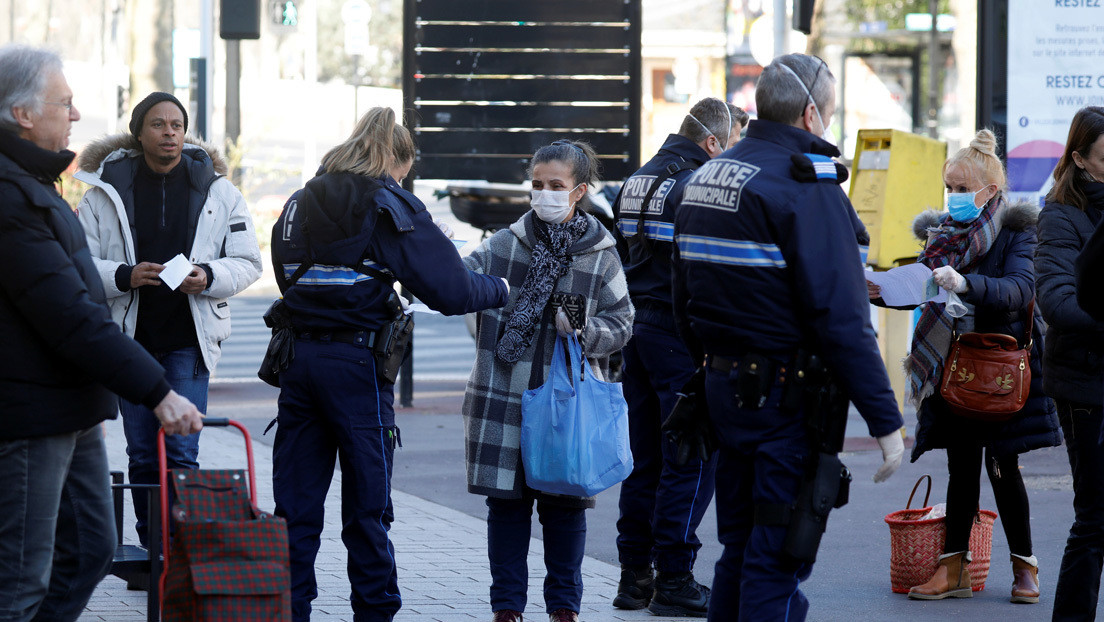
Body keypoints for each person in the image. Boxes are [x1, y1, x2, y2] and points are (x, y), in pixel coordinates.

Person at [671, 53, 905, 621]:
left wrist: (709, 367)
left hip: (724, 389)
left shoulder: (707, 177)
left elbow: (684, 297)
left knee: (740, 548)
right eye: (827, 112)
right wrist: (886, 422)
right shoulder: (807, 187)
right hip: (785, 398)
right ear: (808, 114)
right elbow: (842, 318)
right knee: (777, 558)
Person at [270, 107, 508, 622]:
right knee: (369, 509)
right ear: (397, 160)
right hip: (357, 365)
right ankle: (374, 613)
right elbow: (452, 290)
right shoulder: (388, 203)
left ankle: (289, 612)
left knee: (294, 506)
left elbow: (285, 273)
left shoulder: (299, 201)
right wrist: (503, 287)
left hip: (298, 360)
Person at [0, 44, 203, 622]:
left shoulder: (35, 181)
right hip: (29, 414)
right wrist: (157, 391)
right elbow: (69, 312)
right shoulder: (10, 194)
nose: (76, 115)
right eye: (64, 103)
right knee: (19, 581)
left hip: (72, 407)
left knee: (91, 550)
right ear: (22, 113)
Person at [869, 129, 1060, 603]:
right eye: (948, 187)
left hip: (999, 369)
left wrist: (966, 283)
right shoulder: (942, 237)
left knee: (1002, 466)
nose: (952, 196)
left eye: (961, 187)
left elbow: (1019, 289)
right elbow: (925, 289)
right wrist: (884, 292)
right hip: (955, 368)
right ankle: (952, 567)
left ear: (989, 191)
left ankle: (1025, 567)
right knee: (960, 466)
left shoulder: (1018, 232)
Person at [74, 91, 262, 554]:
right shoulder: (102, 192)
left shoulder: (219, 190)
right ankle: (153, 553)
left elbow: (248, 262)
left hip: (189, 341)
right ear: (140, 132)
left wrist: (209, 276)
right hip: (129, 341)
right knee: (142, 454)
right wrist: (124, 275)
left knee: (180, 451)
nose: (169, 133)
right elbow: (77, 263)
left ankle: (181, 558)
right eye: (158, 125)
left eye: (176, 124)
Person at [462, 140, 634, 622]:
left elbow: (623, 322)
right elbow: (458, 282)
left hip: (567, 402)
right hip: (505, 394)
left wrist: (586, 331)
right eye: (537, 185)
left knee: (564, 508)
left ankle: (563, 606)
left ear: (579, 191)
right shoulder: (504, 244)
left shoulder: (600, 254)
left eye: (556, 186)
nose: (544, 195)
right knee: (508, 508)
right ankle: (506, 608)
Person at [610, 96, 747, 617]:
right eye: (728, 146)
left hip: (635, 331)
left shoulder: (638, 179)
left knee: (644, 457)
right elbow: (704, 271)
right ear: (712, 142)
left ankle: (633, 576)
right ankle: (674, 576)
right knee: (690, 456)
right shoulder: (696, 185)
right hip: (677, 334)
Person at [1036, 106, 1104, 620]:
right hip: (1085, 386)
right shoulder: (1060, 214)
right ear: (1080, 159)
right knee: (1096, 520)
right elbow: (1057, 301)